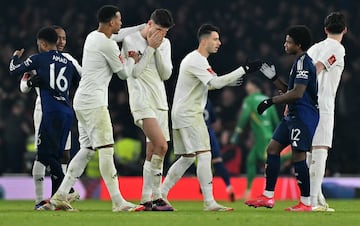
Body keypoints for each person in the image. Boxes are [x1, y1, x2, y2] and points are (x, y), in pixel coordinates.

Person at [50, 5, 144, 212]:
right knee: (106, 149)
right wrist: (131, 59)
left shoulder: (94, 36)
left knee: (87, 150)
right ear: (111, 22)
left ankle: (60, 195)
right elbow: (124, 74)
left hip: (82, 100)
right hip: (94, 103)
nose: (121, 23)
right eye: (119, 20)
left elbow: (120, 35)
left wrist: (142, 27)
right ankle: (118, 202)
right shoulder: (108, 46)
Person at [161, 23, 262, 211]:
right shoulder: (196, 60)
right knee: (205, 154)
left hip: (182, 112)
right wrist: (244, 69)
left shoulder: (198, 60)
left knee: (188, 157)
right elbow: (214, 83)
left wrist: (232, 79)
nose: (219, 43)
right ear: (204, 40)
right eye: (215, 39)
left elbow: (212, 82)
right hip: (190, 113)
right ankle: (209, 202)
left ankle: (161, 194)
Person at [245, 25, 318, 211]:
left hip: (303, 116)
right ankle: (267, 197)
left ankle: (306, 203)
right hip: (292, 116)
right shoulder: (298, 61)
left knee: (298, 156)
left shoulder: (304, 63)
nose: (285, 44)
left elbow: (298, 94)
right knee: (272, 149)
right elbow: (290, 90)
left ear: (298, 45)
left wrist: (271, 101)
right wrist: (274, 78)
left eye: (288, 41)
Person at [9, 26, 80, 209]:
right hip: (46, 110)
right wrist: (31, 82)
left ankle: (59, 196)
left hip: (55, 110)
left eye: (64, 38)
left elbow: (14, 70)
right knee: (43, 156)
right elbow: (24, 87)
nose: (62, 41)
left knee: (61, 154)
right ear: (54, 41)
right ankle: (42, 198)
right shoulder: (65, 61)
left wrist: (15, 57)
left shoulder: (63, 58)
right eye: (59, 38)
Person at [121, 8, 175, 211]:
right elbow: (133, 73)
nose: (161, 35)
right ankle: (158, 196)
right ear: (149, 24)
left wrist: (157, 48)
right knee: (162, 146)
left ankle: (146, 198)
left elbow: (166, 74)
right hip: (141, 100)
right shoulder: (131, 40)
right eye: (159, 30)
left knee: (153, 152)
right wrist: (151, 48)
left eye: (165, 32)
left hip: (160, 101)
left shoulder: (165, 43)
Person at [306, 12, 347, 212]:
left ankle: (314, 197)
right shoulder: (337, 48)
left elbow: (301, 71)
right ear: (345, 30)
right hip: (322, 105)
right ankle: (313, 201)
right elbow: (318, 67)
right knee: (320, 150)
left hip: (305, 103)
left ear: (325, 29)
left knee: (309, 152)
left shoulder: (314, 48)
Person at [230, 78, 279, 199]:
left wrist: (236, 133)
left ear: (254, 86)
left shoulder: (249, 100)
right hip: (269, 135)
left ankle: (294, 156)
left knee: (267, 160)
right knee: (250, 160)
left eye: (249, 83)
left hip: (261, 137)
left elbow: (244, 117)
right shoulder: (268, 100)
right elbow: (276, 121)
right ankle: (247, 192)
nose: (247, 86)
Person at [204, 99, 235, 202]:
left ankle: (203, 186)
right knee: (217, 161)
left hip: (196, 133)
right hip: (209, 133)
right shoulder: (208, 101)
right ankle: (228, 186)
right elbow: (214, 121)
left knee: (198, 160)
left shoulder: (190, 98)